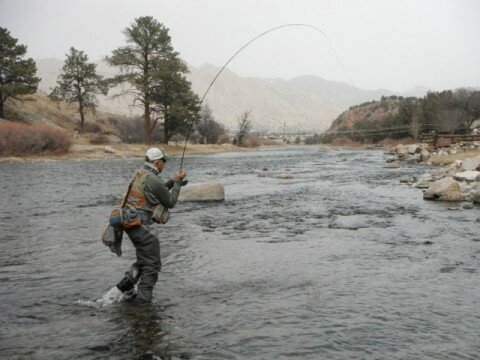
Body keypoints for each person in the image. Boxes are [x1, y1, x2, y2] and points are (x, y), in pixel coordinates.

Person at [116, 147, 186, 303]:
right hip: (142, 227)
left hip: (129, 223)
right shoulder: (153, 178)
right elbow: (170, 202)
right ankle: (143, 302)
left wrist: (174, 181)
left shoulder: (139, 173)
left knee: (144, 259)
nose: (164, 165)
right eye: (163, 162)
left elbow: (155, 190)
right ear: (157, 162)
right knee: (152, 265)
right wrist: (178, 184)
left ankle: (125, 287)